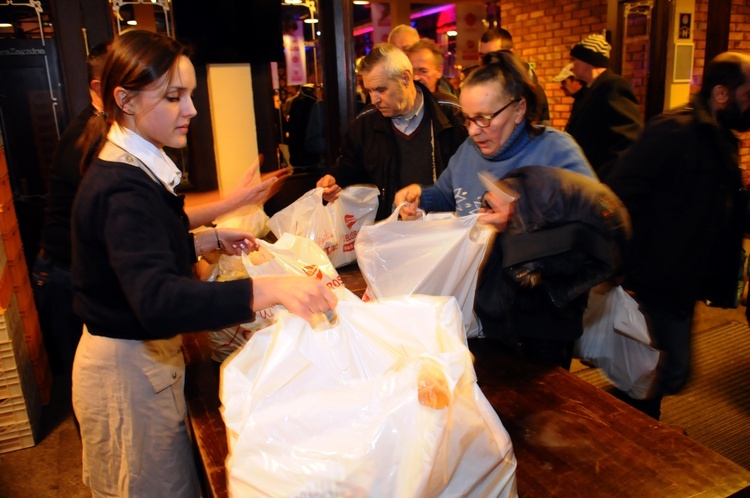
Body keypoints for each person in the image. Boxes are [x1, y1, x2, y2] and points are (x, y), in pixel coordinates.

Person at [70, 30, 337, 497]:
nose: (191, 109)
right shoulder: (122, 185)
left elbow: (143, 243)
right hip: (126, 372)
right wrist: (270, 290)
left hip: (142, 363)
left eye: (189, 94)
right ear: (125, 99)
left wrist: (207, 238)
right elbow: (157, 300)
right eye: (174, 96)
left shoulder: (134, 166)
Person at [394, 51, 602, 369]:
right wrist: (421, 198)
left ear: (518, 109)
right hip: (477, 310)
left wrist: (519, 220)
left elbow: (595, 226)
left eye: (484, 118)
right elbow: (450, 196)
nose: (474, 130)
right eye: (467, 118)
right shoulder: (468, 152)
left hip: (539, 321)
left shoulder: (556, 151)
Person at [603, 51, 750, 420]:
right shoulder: (674, 131)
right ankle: (628, 432)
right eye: (749, 96)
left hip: (684, 282)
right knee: (661, 372)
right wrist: (620, 264)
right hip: (655, 280)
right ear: (721, 93)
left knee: (663, 372)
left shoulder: (720, 138)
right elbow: (618, 195)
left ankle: (635, 429)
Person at [316, 43, 466, 220]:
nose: (374, 99)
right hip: (391, 229)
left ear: (405, 78)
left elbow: (469, 172)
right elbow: (350, 164)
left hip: (445, 228)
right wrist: (333, 178)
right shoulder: (366, 121)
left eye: (381, 89)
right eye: (369, 91)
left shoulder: (452, 113)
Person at [32, 40, 110, 377]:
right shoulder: (88, 137)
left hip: (74, 270)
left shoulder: (107, 131)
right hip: (64, 274)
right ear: (99, 88)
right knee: (85, 385)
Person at [566, 34, 643, 179]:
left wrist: (605, 178)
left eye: (575, 59)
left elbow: (627, 139)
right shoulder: (589, 89)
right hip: (586, 177)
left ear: (588, 61)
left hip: (600, 180)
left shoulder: (613, 86)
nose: (572, 66)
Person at [477, 27, 550, 124]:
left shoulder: (531, 92)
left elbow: (541, 132)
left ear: (510, 54)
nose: (486, 62)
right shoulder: (477, 88)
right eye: (482, 56)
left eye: (492, 56)